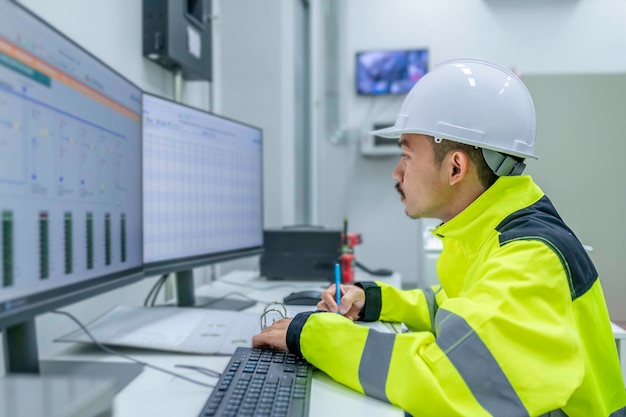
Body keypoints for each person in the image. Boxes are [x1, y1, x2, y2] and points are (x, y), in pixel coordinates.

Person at [252, 58, 626, 416]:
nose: (397, 173)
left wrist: (314, 335)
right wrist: (374, 300)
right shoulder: (491, 234)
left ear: (455, 167)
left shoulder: (531, 259)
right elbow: (454, 313)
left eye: (407, 155)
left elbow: (447, 376)